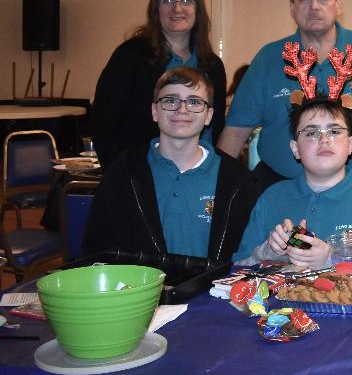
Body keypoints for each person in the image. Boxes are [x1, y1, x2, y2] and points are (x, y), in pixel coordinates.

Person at [83, 67, 258, 260]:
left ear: (209, 115)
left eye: (194, 102)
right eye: (170, 100)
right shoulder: (124, 173)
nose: (181, 109)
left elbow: (246, 254)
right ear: (154, 111)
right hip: (138, 288)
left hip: (210, 288)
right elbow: (98, 247)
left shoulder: (235, 180)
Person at [233, 97, 352, 276]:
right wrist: (267, 254)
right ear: (295, 148)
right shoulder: (271, 198)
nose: (324, 140)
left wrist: (336, 261)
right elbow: (236, 272)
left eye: (334, 131)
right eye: (311, 133)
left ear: (351, 144)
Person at [218, 0, 352, 184]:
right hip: (278, 187)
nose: (314, 6)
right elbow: (236, 131)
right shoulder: (269, 59)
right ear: (292, 7)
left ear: (338, 5)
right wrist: (217, 190)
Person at [92, 0, 226, 170]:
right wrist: (118, 176)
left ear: (198, 10)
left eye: (187, 0)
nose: (177, 8)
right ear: (156, 8)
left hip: (199, 177)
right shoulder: (130, 56)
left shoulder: (212, 65)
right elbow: (102, 123)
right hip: (139, 174)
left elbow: (216, 129)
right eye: (168, 0)